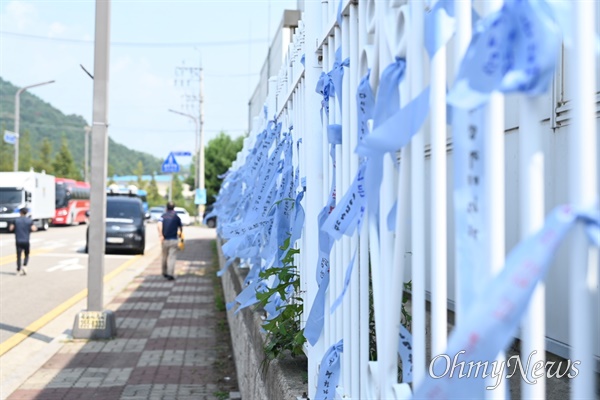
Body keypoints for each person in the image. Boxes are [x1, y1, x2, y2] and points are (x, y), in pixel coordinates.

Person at [157, 201, 182, 281]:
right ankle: (170, 274)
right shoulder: (176, 217)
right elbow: (180, 228)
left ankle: (164, 272)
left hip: (165, 239)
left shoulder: (163, 216)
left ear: (166, 208)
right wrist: (180, 235)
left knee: (164, 256)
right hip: (174, 239)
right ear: (174, 208)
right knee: (172, 257)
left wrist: (161, 235)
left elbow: (159, 224)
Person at [9, 208, 37, 276]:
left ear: (20, 212)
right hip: (26, 240)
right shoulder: (29, 220)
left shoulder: (16, 220)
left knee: (18, 256)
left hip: (18, 240)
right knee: (26, 254)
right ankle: (25, 265)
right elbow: (34, 228)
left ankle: (18, 269)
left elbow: (11, 228)